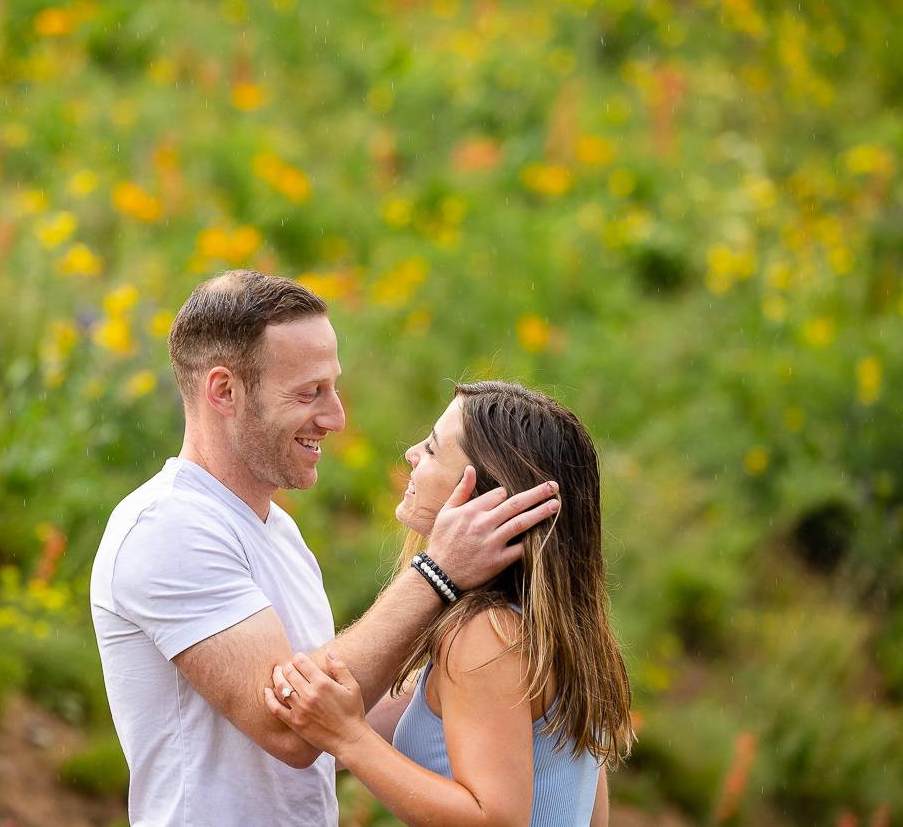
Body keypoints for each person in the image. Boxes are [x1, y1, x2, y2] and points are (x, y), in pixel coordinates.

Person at [90, 272, 562, 827]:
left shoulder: (279, 533)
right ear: (224, 391)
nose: (336, 417)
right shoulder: (167, 527)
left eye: (332, 387)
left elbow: (337, 706)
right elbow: (290, 728)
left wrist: (496, 678)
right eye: (309, 392)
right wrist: (438, 574)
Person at [267, 381, 634, 827]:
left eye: (435, 449)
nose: (412, 454)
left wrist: (349, 737)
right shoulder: (558, 634)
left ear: (488, 495)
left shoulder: (487, 635)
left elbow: (495, 819)